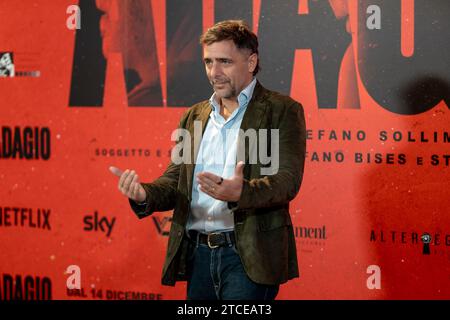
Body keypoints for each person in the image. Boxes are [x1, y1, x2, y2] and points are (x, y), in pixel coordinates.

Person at [110, 20, 306, 300]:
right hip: (198, 256)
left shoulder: (282, 110)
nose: (214, 73)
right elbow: (176, 180)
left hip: (247, 257)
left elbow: (287, 181)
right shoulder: (194, 116)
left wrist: (242, 192)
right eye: (208, 62)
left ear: (251, 62)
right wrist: (144, 193)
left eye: (224, 61)